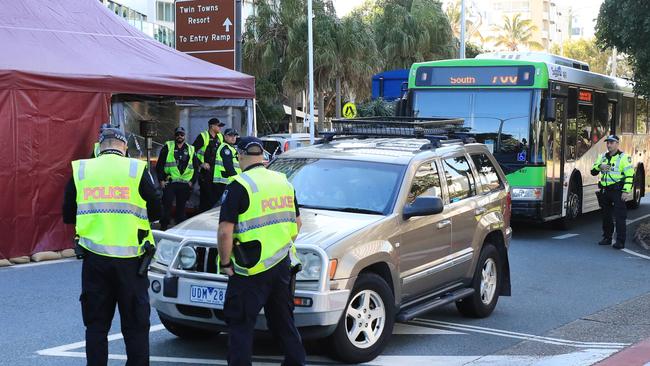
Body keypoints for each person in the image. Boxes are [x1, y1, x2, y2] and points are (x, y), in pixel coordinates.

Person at [62, 128, 162, 366]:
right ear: (124, 147)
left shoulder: (82, 169)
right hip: (132, 261)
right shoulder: (135, 169)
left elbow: (67, 214)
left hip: (95, 260)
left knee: (96, 326)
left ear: (99, 146)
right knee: (136, 326)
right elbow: (157, 209)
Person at [217, 136, 306, 366]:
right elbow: (297, 224)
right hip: (281, 264)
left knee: (240, 326)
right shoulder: (283, 181)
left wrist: (226, 263)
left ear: (240, 155)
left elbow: (225, 232)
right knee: (284, 322)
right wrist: (279, 244)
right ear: (262, 155)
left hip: (250, 269)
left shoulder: (239, 185)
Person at [591, 135, 635, 249]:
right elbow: (593, 171)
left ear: (617, 144)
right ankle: (607, 238)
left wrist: (626, 191)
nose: (609, 145)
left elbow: (630, 176)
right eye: (608, 143)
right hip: (605, 191)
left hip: (618, 191)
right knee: (606, 216)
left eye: (611, 143)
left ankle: (620, 241)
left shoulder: (623, 157)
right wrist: (600, 166)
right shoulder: (602, 157)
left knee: (620, 217)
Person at [156, 126, 199, 230]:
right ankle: (164, 227)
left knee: (181, 208)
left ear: (184, 136)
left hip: (184, 183)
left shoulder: (190, 149)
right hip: (170, 182)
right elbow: (159, 165)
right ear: (175, 136)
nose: (179, 136)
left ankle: (180, 229)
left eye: (181, 134)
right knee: (167, 205)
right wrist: (161, 180)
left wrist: (192, 182)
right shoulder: (168, 146)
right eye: (177, 134)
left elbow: (196, 168)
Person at [193, 118, 226, 211]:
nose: (220, 128)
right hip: (205, 173)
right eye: (218, 126)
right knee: (205, 199)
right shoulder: (203, 136)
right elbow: (191, 151)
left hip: (216, 173)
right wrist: (201, 164)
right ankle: (202, 220)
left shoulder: (220, 137)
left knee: (215, 198)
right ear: (212, 126)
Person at [213, 128, 242, 202]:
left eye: (235, 136)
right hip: (226, 181)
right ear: (225, 137)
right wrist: (237, 179)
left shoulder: (231, 148)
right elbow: (228, 167)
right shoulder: (226, 149)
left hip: (228, 181)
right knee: (224, 205)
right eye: (230, 135)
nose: (233, 137)